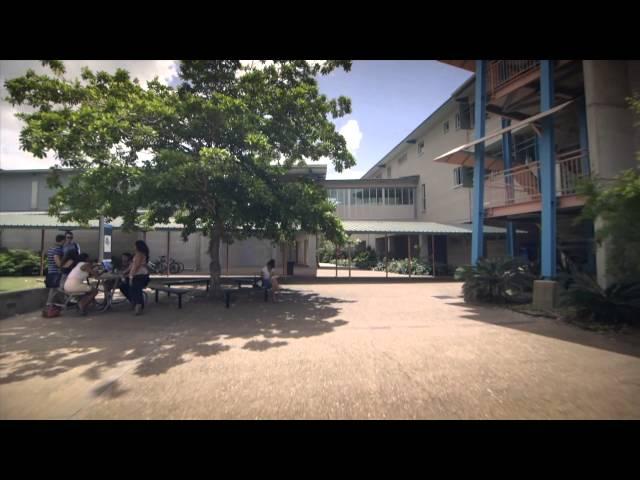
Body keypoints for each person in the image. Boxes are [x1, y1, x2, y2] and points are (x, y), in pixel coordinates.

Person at [128, 241, 150, 316]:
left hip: (139, 275)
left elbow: (136, 266)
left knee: (136, 289)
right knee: (135, 289)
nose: (133, 247)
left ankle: (138, 306)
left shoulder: (139, 254)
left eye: (135, 246)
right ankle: (137, 304)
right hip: (142, 274)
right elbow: (132, 265)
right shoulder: (141, 254)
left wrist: (131, 276)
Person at [45, 234, 66, 307]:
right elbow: (58, 262)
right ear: (62, 240)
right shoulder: (57, 249)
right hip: (56, 272)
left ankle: (61, 303)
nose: (65, 242)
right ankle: (50, 304)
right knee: (57, 288)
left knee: (54, 289)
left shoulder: (51, 248)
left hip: (50, 271)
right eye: (64, 241)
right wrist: (63, 264)